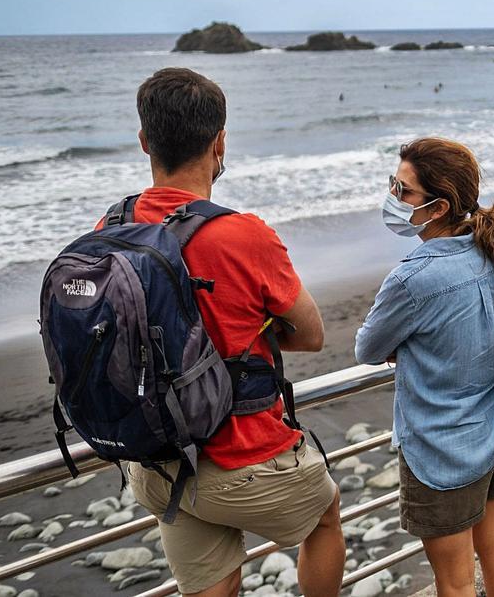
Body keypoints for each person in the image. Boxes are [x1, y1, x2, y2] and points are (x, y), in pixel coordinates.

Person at [122, 68, 344, 597]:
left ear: (144, 141)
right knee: (326, 516)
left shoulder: (114, 225)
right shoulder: (242, 233)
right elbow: (310, 334)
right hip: (242, 458)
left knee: (210, 585)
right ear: (220, 142)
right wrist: (247, 339)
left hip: (158, 461)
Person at [355, 137, 494, 597]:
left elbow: (367, 348)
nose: (392, 196)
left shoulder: (413, 278)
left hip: (438, 450)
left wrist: (405, 343)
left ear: (439, 206)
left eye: (403, 189)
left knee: (455, 581)